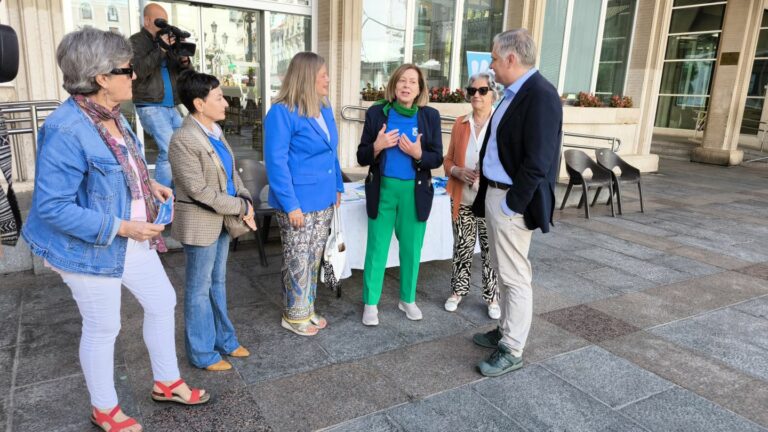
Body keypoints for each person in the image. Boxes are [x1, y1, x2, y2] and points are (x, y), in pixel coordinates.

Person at [21, 28, 208, 432]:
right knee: (104, 326)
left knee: (161, 301)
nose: (135, 76)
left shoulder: (113, 116)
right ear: (101, 77)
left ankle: (166, 381)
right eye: (126, 69)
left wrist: (148, 185)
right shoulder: (65, 129)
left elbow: (122, 170)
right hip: (89, 247)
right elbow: (53, 207)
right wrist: (123, 225)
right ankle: (104, 408)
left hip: (130, 236)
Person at [471, 29, 562, 377]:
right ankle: (506, 330)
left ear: (511, 58)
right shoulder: (514, 92)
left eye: (494, 58)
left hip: (510, 201)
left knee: (514, 277)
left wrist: (512, 205)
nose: (491, 65)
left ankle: (512, 348)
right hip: (496, 194)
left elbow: (538, 161)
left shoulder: (540, 95)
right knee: (503, 271)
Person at [169, 70, 255, 371]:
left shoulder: (216, 133)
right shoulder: (183, 139)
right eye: (219, 97)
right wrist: (240, 206)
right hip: (201, 222)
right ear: (199, 103)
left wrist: (245, 198)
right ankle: (202, 353)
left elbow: (232, 175)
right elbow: (198, 190)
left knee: (217, 283)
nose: (226, 104)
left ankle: (225, 340)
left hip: (221, 220)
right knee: (197, 290)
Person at [357, 64, 443, 326]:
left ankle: (407, 299)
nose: (407, 86)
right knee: (377, 248)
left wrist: (418, 155)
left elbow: (437, 157)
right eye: (402, 81)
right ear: (394, 86)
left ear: (419, 89)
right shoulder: (376, 113)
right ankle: (371, 303)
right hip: (382, 191)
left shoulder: (430, 116)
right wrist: (377, 146)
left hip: (414, 193)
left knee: (411, 249)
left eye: (413, 82)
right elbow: (361, 157)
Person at [264, 52, 343, 336]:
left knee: (313, 255)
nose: (327, 79)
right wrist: (290, 204)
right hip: (296, 202)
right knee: (297, 257)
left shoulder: (324, 107)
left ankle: (307, 308)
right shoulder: (282, 112)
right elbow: (276, 162)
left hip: (323, 197)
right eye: (323, 75)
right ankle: (293, 314)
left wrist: (338, 186)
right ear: (307, 77)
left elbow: (332, 150)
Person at [443, 71, 500, 319]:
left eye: (482, 90)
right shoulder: (460, 124)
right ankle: (458, 291)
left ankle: (492, 297)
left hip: (490, 201)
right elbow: (447, 160)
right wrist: (456, 170)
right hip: (463, 198)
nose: (476, 95)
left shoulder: (500, 123)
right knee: (463, 247)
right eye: (472, 91)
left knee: (491, 250)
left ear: (493, 94)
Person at [130, 3, 192, 187]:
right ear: (147, 20)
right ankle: (163, 200)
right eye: (160, 22)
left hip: (172, 105)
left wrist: (184, 59)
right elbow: (138, 71)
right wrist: (161, 49)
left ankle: (179, 191)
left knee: (183, 146)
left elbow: (183, 73)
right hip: (150, 105)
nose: (164, 26)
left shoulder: (167, 42)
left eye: (166, 22)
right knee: (167, 149)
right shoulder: (135, 42)